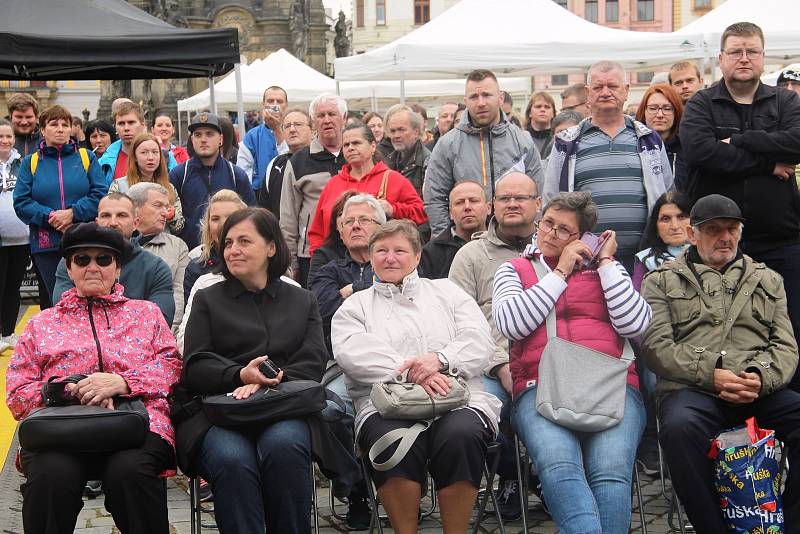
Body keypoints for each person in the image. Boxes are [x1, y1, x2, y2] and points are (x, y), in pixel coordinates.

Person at [6, 222, 182, 534]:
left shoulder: (146, 314)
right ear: (69, 269)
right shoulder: (41, 324)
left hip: (135, 424)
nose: (93, 267)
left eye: (104, 259)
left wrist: (124, 383)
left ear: (118, 269)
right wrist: (67, 390)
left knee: (131, 473)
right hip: (62, 429)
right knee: (50, 477)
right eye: (82, 259)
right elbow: (17, 392)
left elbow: (172, 367)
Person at [641, 193, 800, 533]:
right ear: (692, 234)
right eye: (713, 229)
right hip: (694, 390)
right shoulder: (661, 280)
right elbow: (656, 347)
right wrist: (711, 374)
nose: (724, 237)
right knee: (679, 428)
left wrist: (760, 376)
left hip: (757, 389)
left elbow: (786, 346)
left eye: (731, 228)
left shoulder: (767, 279)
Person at [493, 191, 650, 533]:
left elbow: (635, 324)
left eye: (563, 230)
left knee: (611, 472)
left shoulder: (608, 272)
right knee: (559, 465)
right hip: (541, 386)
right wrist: (560, 272)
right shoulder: (514, 270)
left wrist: (606, 264)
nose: (550, 233)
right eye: (547, 223)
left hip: (613, 384)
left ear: (580, 239)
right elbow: (512, 324)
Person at [332, 219, 501, 534]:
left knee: (461, 435)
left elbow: (480, 341)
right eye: (381, 250)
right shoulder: (356, 306)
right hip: (385, 403)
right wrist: (414, 371)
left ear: (417, 256)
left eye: (399, 250)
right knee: (393, 441)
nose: (390, 258)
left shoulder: (448, 292)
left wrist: (440, 359)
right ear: (370, 257)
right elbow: (352, 353)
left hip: (457, 397)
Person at [177, 207, 327, 533]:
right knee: (232, 460)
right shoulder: (207, 299)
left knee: (285, 447)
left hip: (284, 408)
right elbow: (196, 365)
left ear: (271, 247)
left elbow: (313, 362)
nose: (233, 250)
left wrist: (266, 381)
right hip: (221, 410)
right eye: (228, 242)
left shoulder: (303, 301)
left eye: (244, 241)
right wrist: (239, 375)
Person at [680, 22, 800, 390]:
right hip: (721, 246)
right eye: (735, 51)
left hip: (782, 240)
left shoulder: (786, 101)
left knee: (789, 328)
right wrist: (767, 162)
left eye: (751, 51)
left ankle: (788, 409)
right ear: (721, 59)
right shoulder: (702, 102)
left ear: (763, 57)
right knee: (719, 332)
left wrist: (740, 140)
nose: (743, 58)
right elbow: (702, 151)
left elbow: (796, 142)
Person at [448, 171, 541, 519]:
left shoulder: (554, 251)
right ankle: (514, 472)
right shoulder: (470, 255)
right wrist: (500, 364)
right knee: (470, 415)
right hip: (488, 363)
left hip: (548, 362)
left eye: (521, 198)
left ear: (538, 204)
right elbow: (456, 325)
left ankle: (554, 476)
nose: (513, 204)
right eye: (504, 198)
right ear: (492, 206)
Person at [544, 60, 674, 273]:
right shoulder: (565, 143)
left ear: (626, 91)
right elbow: (551, 200)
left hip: (644, 261)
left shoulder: (650, 140)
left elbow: (667, 197)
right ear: (588, 93)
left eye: (612, 86)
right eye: (598, 87)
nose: (605, 92)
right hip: (584, 263)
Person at [424, 69, 544, 236]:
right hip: (466, 243)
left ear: (500, 98)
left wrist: (534, 237)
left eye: (487, 95)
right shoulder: (447, 144)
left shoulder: (522, 141)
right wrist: (446, 242)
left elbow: (538, 193)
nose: (480, 103)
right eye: (474, 97)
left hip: (515, 240)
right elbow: (435, 198)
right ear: (466, 101)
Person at [13, 105, 107, 307]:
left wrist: (73, 213)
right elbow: (21, 201)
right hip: (46, 244)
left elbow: (100, 193)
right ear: (42, 129)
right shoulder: (31, 162)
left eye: (65, 124)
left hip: (84, 239)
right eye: (54, 124)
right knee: (56, 301)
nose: (60, 129)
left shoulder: (86, 157)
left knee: (88, 299)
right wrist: (51, 217)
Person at [53, 193, 175, 325]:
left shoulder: (156, 268)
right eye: (106, 215)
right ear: (97, 222)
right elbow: (62, 312)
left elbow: (159, 322)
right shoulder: (75, 261)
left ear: (136, 223)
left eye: (122, 215)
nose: (113, 223)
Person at [307, 123, 426, 256]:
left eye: (356, 143)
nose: (350, 148)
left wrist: (393, 209)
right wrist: (317, 259)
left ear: (373, 146)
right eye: (346, 145)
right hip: (336, 262)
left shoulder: (394, 179)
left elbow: (421, 213)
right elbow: (317, 231)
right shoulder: (333, 184)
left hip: (381, 259)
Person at [280, 93, 348, 287]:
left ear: (344, 118)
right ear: (313, 122)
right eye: (320, 116)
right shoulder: (299, 161)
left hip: (355, 248)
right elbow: (288, 217)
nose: (326, 120)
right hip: (311, 252)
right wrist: (290, 262)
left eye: (332, 114)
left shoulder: (356, 153)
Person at [170, 112, 255, 250]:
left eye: (209, 134)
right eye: (198, 135)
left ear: (221, 139)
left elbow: (251, 214)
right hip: (189, 252)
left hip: (229, 251)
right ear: (191, 140)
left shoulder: (236, 175)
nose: (203, 139)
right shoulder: (179, 174)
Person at [311, 194, 383, 352]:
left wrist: (352, 289)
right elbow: (320, 313)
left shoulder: (396, 264)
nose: (356, 226)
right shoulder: (329, 271)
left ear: (381, 228)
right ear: (342, 233)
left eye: (364, 220)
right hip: (339, 359)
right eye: (349, 222)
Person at [127, 182, 189, 331]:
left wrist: (169, 334)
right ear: (135, 208)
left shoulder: (178, 247)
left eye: (166, 207)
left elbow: (178, 297)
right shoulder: (113, 244)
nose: (165, 213)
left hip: (162, 331)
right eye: (157, 205)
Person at [109, 133, 185, 235]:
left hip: (163, 246)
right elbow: (111, 221)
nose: (150, 157)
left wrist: (172, 216)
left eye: (155, 152)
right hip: (130, 246)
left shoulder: (169, 188)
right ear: (135, 157)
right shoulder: (119, 186)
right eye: (144, 152)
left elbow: (179, 228)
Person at [183, 189, 247, 303]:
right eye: (215, 219)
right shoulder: (196, 268)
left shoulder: (257, 262)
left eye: (230, 217)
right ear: (207, 225)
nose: (222, 224)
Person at [419, 180, 489, 279]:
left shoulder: (504, 244)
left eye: (474, 201)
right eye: (459, 203)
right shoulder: (430, 253)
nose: (467, 207)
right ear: (450, 213)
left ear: (489, 208)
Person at [99, 101, 177, 185]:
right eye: (121, 123)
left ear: (142, 125)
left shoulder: (165, 156)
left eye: (131, 122)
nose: (126, 128)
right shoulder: (104, 161)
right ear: (115, 127)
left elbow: (174, 189)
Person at [0, 119, 27, 352]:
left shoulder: (22, 163)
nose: (5, 140)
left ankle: (8, 332)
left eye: (8, 136)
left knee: (13, 287)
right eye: (0, 136)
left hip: (21, 237)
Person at [257, 108, 313, 219]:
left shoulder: (321, 161)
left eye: (298, 124)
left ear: (312, 131)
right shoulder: (274, 165)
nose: (292, 129)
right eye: (287, 126)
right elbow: (265, 208)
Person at [635, 83, 688, 191]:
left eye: (667, 109)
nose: (660, 114)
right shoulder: (633, 146)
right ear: (643, 112)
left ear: (676, 112)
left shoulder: (688, 149)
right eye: (653, 108)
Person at [237, 86, 287, 191]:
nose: (275, 105)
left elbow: (293, 160)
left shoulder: (293, 130)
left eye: (279, 101)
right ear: (263, 105)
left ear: (286, 106)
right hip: (260, 196)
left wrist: (277, 129)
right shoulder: (252, 136)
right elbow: (242, 171)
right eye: (270, 101)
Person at [307, 190, 357, 288]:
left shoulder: (377, 251)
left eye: (353, 215)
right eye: (341, 214)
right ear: (335, 224)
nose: (346, 219)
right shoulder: (323, 255)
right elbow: (315, 293)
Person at [384, 105, 430, 199]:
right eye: (392, 131)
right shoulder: (388, 161)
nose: (396, 135)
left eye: (401, 130)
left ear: (416, 132)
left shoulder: (428, 163)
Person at [524, 91, 556, 158]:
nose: (542, 110)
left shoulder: (558, 138)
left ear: (553, 113)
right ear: (529, 113)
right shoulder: (520, 137)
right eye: (538, 106)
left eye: (547, 107)